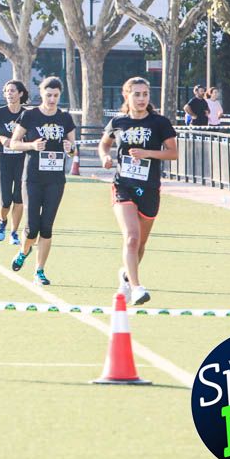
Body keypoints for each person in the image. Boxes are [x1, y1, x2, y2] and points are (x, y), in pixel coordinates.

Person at [98, 76, 178, 306]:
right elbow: (104, 143)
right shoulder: (118, 122)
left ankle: (125, 276)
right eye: (137, 94)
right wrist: (105, 157)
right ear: (127, 95)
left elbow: (173, 153)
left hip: (150, 188)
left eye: (145, 94)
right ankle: (136, 288)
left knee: (140, 244)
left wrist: (148, 154)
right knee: (131, 237)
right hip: (123, 185)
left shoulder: (159, 122)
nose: (141, 99)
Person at [8, 77, 76, 286]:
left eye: (56, 95)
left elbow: (74, 149)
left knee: (47, 227)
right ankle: (24, 250)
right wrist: (31, 146)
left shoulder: (65, 119)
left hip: (55, 179)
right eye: (49, 95)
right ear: (41, 93)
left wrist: (70, 149)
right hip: (33, 178)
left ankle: (39, 271)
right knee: (32, 227)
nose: (52, 99)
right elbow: (13, 143)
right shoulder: (29, 116)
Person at [0, 80, 29, 245]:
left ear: (20, 94)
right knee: (5, 200)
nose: (9, 94)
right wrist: (1, 138)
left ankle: (14, 232)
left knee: (19, 199)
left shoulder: (27, 114)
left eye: (12, 91)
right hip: (3, 159)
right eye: (7, 91)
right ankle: (2, 222)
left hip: (23, 160)